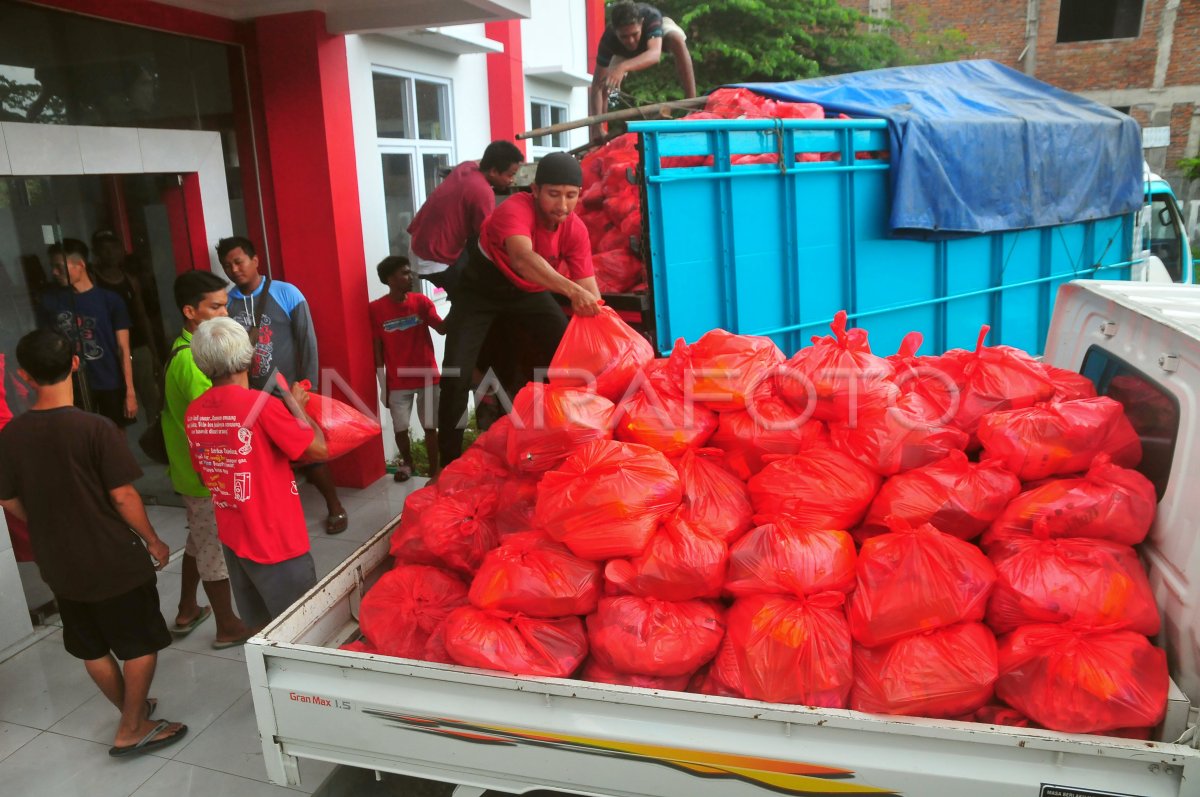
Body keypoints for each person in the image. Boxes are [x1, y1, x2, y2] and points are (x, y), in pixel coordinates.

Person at [0, 328, 186, 758]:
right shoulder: (95, 429)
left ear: (24, 376)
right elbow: (123, 496)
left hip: (59, 563)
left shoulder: (11, 437)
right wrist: (154, 541)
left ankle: (130, 710)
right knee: (139, 641)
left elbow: (7, 497)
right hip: (112, 558)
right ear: (75, 364)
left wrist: (42, 522)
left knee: (92, 644)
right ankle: (132, 727)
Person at [437, 152, 602, 467]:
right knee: (456, 373)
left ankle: (581, 438)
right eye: (554, 194)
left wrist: (607, 330)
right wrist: (572, 291)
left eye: (571, 196)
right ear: (535, 190)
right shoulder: (513, 210)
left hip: (529, 293)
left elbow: (590, 290)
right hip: (480, 291)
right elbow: (524, 260)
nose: (562, 205)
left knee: (571, 356)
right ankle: (447, 462)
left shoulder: (575, 229)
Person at [185, 317, 327, 628]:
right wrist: (296, 403)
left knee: (261, 631)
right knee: (302, 632)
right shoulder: (261, 406)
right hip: (277, 542)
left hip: (235, 540)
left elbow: (203, 477)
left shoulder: (195, 411)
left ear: (202, 363)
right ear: (248, 357)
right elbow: (318, 449)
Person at [217, 236, 348, 535]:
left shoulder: (286, 292)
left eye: (239, 262)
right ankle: (278, 519)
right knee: (264, 461)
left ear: (255, 259)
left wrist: (308, 385)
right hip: (249, 398)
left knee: (308, 452)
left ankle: (335, 506)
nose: (234, 269)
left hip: (289, 394)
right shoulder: (228, 302)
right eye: (227, 265)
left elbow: (307, 340)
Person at [162, 270, 254, 648]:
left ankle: (187, 607)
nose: (225, 314)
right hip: (205, 477)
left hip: (196, 472)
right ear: (190, 311)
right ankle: (228, 626)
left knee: (199, 541)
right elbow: (224, 412)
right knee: (213, 548)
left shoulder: (189, 349)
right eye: (215, 307)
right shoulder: (193, 361)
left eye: (226, 305)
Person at [37, 238, 138, 427]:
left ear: (80, 265)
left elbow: (123, 348)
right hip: (71, 385)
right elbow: (46, 347)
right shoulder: (50, 302)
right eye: (52, 267)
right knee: (82, 436)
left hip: (109, 381)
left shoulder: (110, 300)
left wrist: (129, 391)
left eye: (59, 266)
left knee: (114, 436)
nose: (55, 272)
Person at [406, 140, 524, 296]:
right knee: (472, 297)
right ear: (494, 171)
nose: (512, 180)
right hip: (435, 259)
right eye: (510, 175)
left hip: (419, 244)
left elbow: (480, 161)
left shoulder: (466, 167)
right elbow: (488, 239)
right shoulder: (482, 192)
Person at [370, 256, 446, 481]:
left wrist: (461, 305)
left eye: (410, 272)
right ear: (389, 279)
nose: (411, 277)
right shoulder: (376, 309)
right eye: (405, 273)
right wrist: (383, 385)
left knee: (431, 427)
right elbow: (377, 348)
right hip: (397, 382)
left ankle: (434, 471)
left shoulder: (421, 302)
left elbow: (441, 329)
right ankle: (408, 464)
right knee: (400, 428)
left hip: (428, 377)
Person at [589, 2, 697, 141]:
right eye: (624, 36)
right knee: (604, 83)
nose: (631, 41)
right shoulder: (608, 39)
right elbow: (596, 86)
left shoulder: (651, 17)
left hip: (655, 41)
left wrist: (622, 67)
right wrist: (596, 128)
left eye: (635, 34)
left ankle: (692, 105)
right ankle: (600, 129)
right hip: (622, 53)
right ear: (615, 31)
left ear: (641, 24)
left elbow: (654, 55)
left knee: (677, 40)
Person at [91, 228, 166, 422]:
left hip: (138, 346)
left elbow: (142, 316)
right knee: (116, 404)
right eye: (104, 249)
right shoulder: (93, 281)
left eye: (114, 248)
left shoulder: (130, 280)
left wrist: (154, 352)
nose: (110, 253)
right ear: (96, 252)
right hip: (110, 350)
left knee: (152, 399)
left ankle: (155, 440)